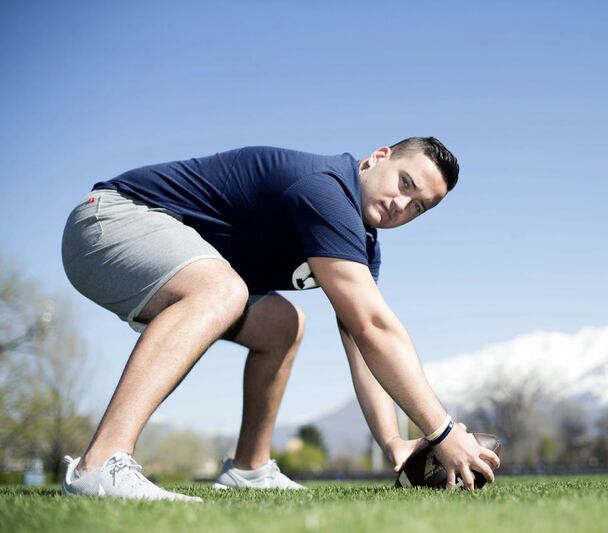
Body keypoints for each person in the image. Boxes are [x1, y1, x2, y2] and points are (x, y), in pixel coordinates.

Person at [60, 137, 500, 501]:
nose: (401, 204)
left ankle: (248, 468)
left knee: (283, 324)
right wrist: (442, 431)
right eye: (405, 183)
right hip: (108, 219)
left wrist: (394, 442)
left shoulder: (360, 243)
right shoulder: (325, 188)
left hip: (145, 242)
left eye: (418, 207)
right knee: (223, 290)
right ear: (378, 157)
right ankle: (101, 462)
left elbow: (363, 345)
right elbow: (376, 327)